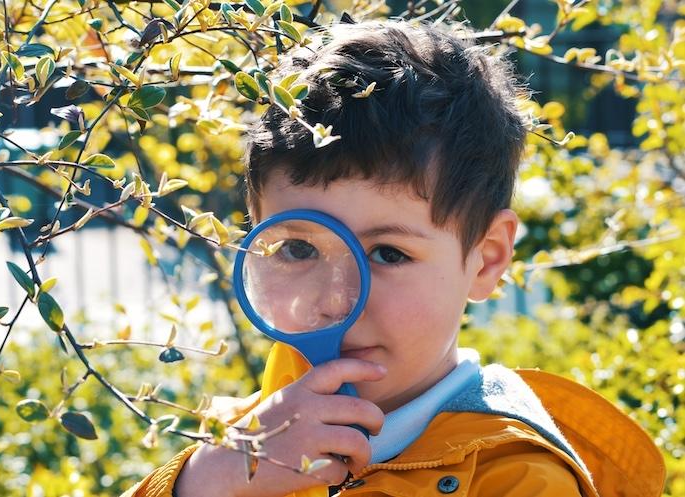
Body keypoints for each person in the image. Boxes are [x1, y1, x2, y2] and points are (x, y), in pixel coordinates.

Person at [122, 19, 665, 497]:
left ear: (487, 259)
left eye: (388, 253)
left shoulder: (520, 480)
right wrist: (203, 481)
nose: (337, 300)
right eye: (297, 248)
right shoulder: (236, 439)